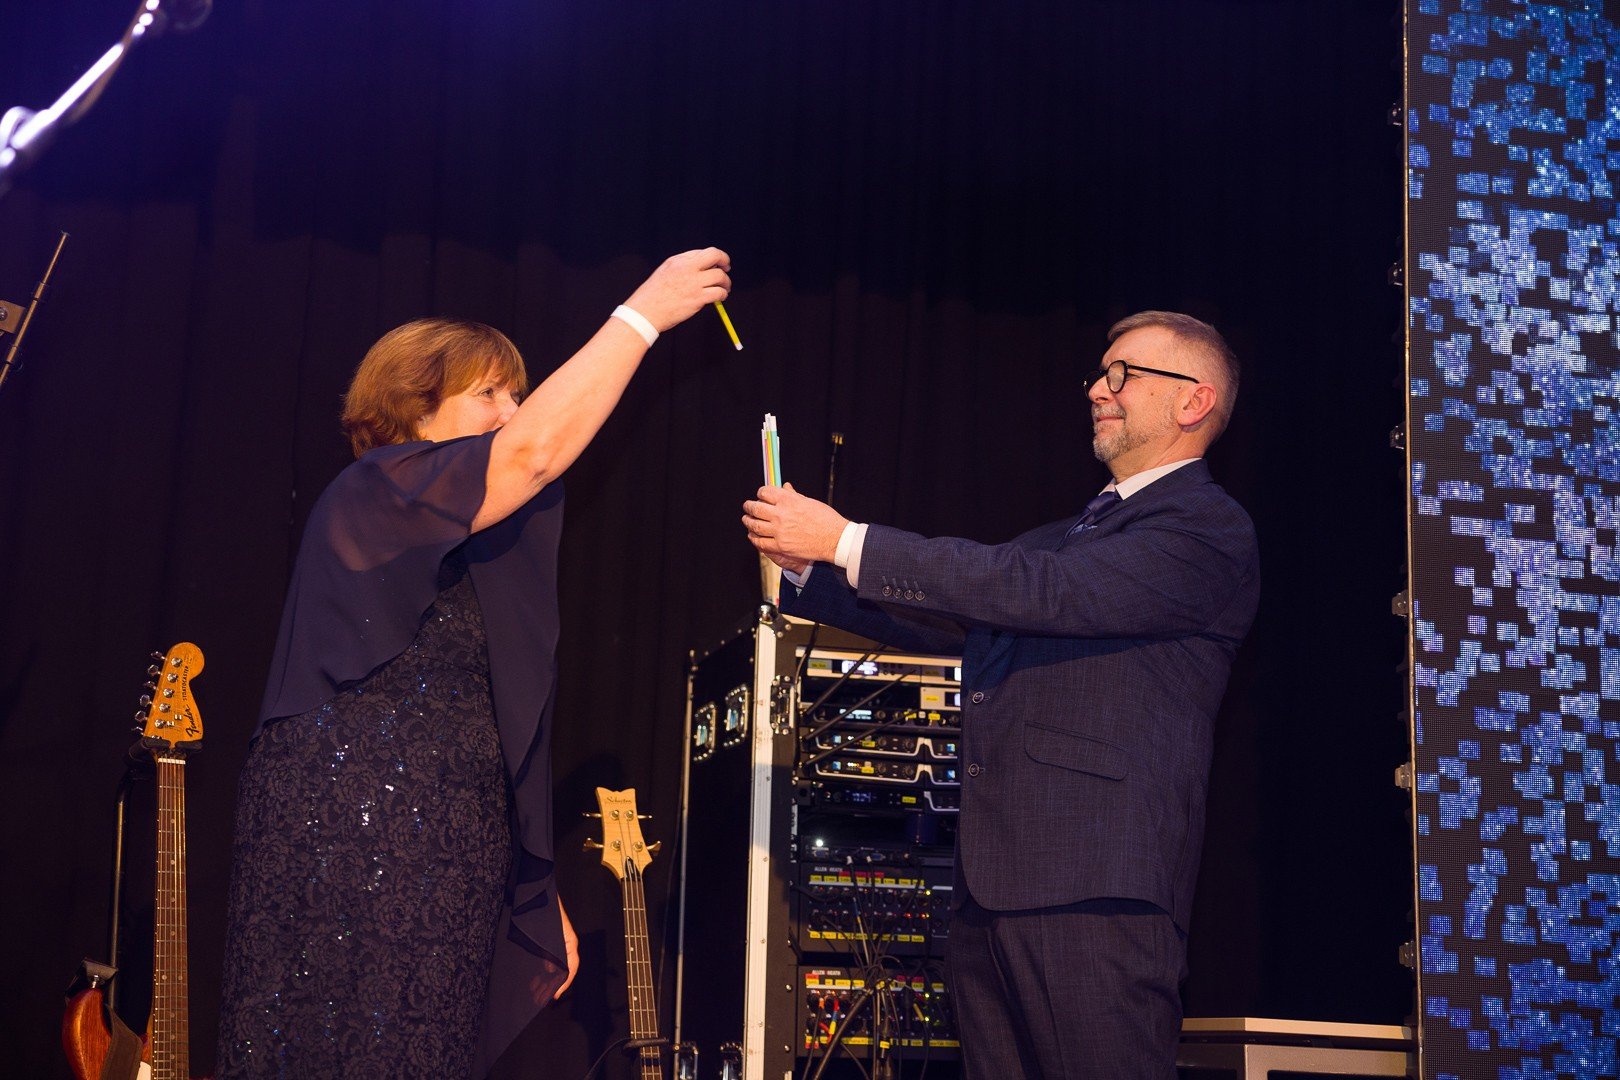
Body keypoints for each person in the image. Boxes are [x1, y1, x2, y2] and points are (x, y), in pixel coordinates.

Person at [215, 247, 731, 1079]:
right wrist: (643, 315)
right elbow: (533, 452)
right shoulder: (375, 490)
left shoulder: (485, 548)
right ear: (414, 412)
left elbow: (494, 723)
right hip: (350, 822)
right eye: (488, 393)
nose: (511, 411)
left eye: (516, 395)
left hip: (454, 834)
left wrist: (534, 885)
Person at [741, 311, 1259, 1080]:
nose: (1097, 390)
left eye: (1123, 374)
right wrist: (808, 569)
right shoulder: (1064, 537)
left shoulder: (1205, 529)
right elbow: (959, 616)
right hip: (990, 895)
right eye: (1099, 374)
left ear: (1194, 400)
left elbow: (1039, 589)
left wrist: (846, 539)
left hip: (1093, 894)